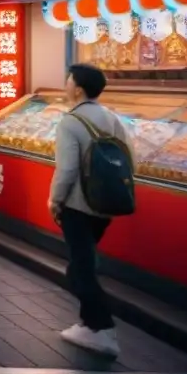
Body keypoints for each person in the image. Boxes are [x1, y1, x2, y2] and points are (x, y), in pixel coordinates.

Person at [51, 64, 134, 358]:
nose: (65, 84)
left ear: (79, 88)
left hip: (77, 205)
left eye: (68, 79)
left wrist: (54, 200)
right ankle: (89, 324)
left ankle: (103, 328)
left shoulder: (71, 122)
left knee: (80, 269)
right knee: (83, 263)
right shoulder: (111, 117)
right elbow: (129, 152)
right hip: (105, 205)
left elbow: (67, 169)